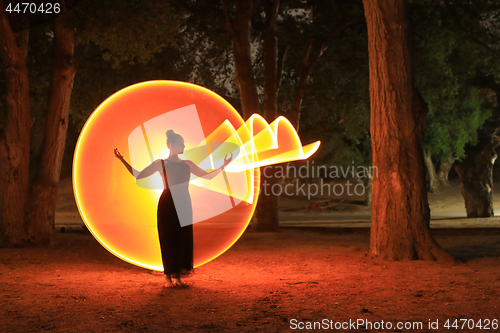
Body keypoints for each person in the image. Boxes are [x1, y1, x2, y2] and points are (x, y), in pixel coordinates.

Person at [114, 129, 232, 288]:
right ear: (171, 145)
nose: (183, 145)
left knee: (183, 238)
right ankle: (168, 278)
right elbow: (138, 175)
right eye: (180, 143)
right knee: (168, 237)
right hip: (168, 202)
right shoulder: (160, 163)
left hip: (184, 201)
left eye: (183, 143)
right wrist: (122, 160)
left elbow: (208, 176)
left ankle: (178, 277)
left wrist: (223, 166)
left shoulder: (188, 164)